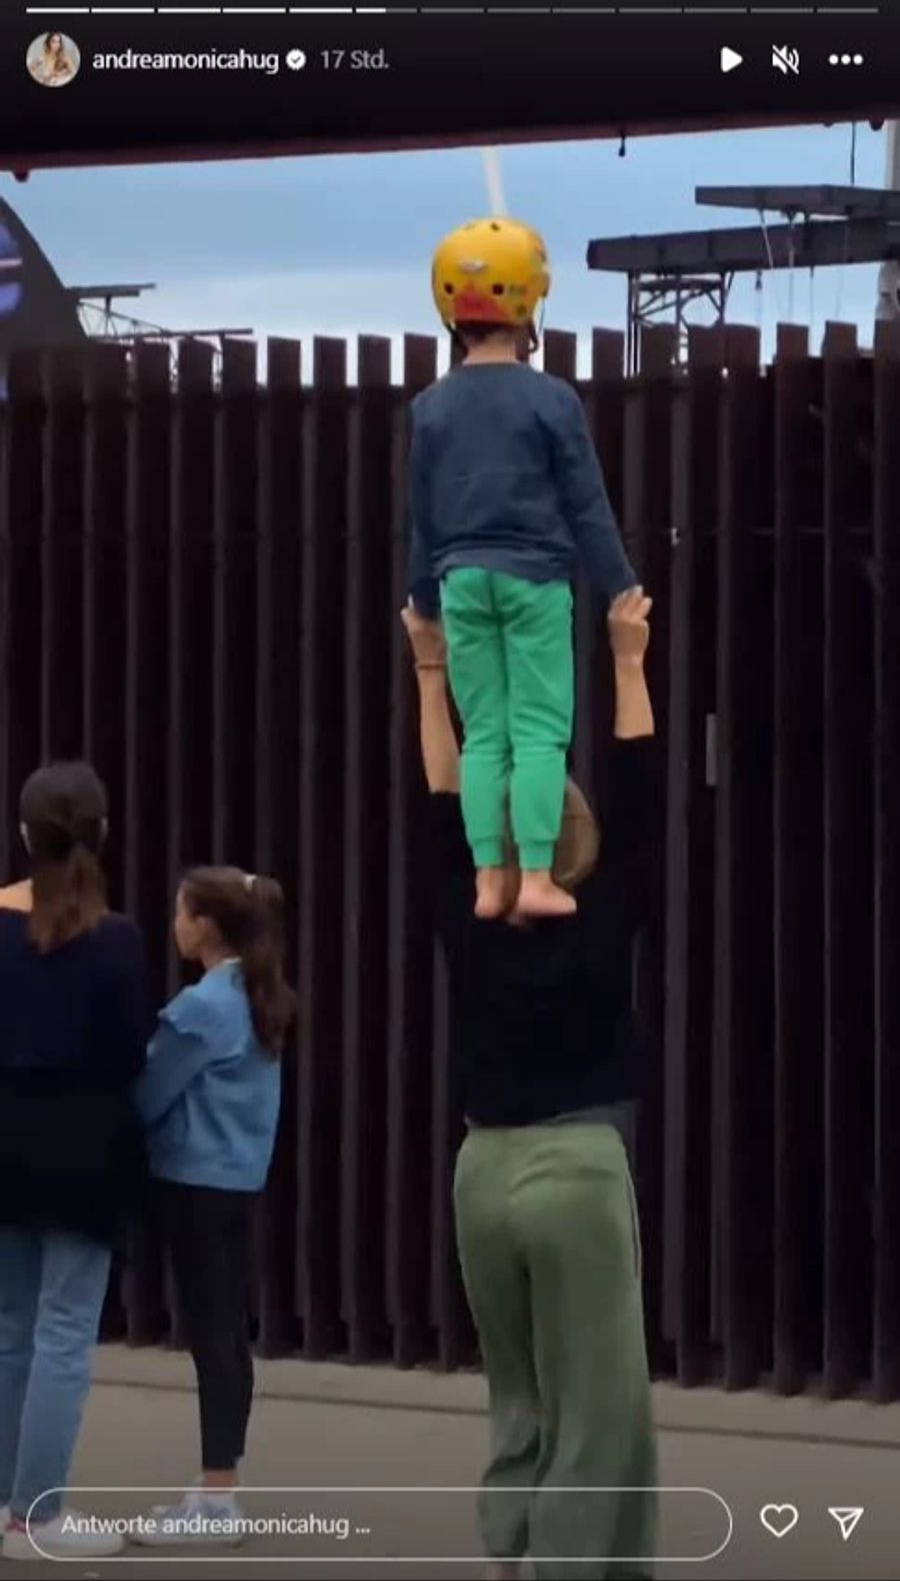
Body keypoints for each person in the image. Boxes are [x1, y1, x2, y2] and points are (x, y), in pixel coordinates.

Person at [402, 587, 657, 1581]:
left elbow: (437, 807)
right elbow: (641, 797)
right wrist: (627, 657)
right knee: (600, 1404)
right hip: (579, 1163)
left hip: (483, 1169)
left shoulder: (468, 917)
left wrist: (432, 673)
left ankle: (511, 1551)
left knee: (518, 1391)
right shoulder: (598, 910)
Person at [408, 217, 637, 922]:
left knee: (485, 731)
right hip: (534, 577)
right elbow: (586, 504)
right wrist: (620, 583)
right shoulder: (551, 400)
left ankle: (487, 876)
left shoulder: (430, 407)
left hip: (459, 577)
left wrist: (424, 598)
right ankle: (537, 873)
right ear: (530, 300)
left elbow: (422, 512)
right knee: (539, 728)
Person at [0, 762, 151, 1562]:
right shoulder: (115, 937)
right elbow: (132, 1052)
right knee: (63, 1330)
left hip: (5, 1140)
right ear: (100, 834)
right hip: (84, 1147)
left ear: (24, 836)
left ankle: (4, 1505)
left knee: (9, 1328)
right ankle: (37, 1517)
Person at [132, 868, 295, 1547]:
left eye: (180, 911)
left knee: (211, 1335)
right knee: (226, 1332)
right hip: (237, 1182)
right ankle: (218, 1483)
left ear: (204, 925)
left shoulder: (202, 1007)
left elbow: (147, 1092)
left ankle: (217, 1496)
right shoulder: (257, 996)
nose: (173, 922)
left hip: (193, 1184)